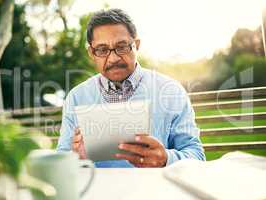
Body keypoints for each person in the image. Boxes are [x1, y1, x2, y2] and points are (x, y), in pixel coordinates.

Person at [57, 8, 205, 168]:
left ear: (137, 45)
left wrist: (166, 159)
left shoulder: (171, 91)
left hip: (155, 190)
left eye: (122, 47)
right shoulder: (76, 97)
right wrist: (75, 158)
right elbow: (60, 161)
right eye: (102, 50)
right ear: (92, 53)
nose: (113, 58)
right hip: (98, 191)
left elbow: (196, 155)